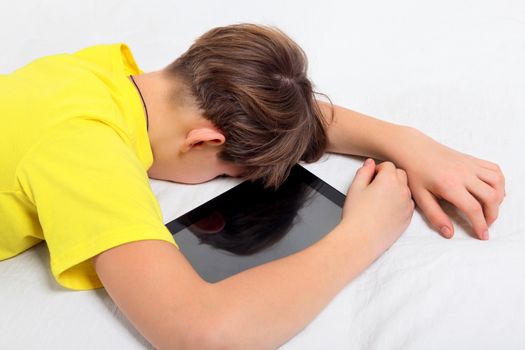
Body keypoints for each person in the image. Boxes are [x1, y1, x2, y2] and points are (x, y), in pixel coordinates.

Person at [0, 23, 505, 349]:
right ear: (203, 141)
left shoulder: (93, 73)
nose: (224, 179)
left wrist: (404, 140)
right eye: (231, 170)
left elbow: (250, 102)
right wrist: (363, 235)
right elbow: (202, 332)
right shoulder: (86, 156)